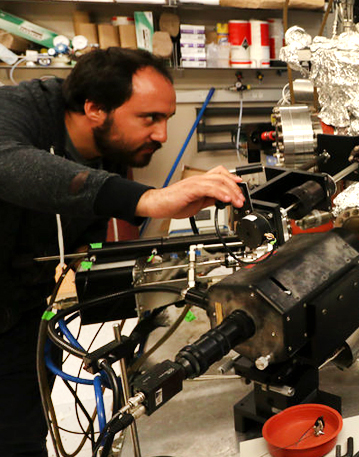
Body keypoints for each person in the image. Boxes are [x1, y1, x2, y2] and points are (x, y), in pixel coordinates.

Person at [0, 47, 246, 457]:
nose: (162, 135)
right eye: (149, 118)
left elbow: (84, 223)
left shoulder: (109, 147)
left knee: (22, 432)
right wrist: (149, 199)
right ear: (94, 108)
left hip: (24, 308)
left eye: (165, 119)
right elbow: (8, 166)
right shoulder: (18, 109)